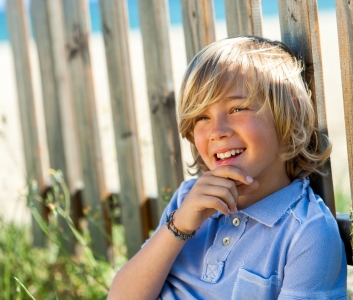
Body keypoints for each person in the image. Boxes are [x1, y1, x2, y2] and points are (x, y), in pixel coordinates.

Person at [107, 36, 347, 299]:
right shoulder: (189, 199)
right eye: (202, 117)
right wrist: (179, 227)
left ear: (293, 110)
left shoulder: (307, 233)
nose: (217, 131)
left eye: (237, 108)